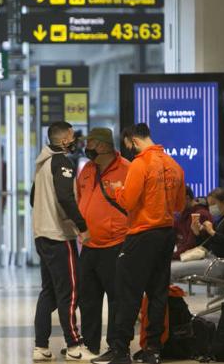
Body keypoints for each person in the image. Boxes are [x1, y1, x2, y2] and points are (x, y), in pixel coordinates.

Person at [95, 123, 185, 364]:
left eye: (128, 147)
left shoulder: (140, 164)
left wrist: (117, 190)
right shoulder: (174, 165)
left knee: (127, 293)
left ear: (133, 141)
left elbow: (128, 201)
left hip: (141, 235)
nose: (129, 152)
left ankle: (121, 350)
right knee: (157, 294)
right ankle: (153, 349)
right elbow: (179, 206)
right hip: (166, 235)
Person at [30, 121, 95, 362]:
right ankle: (74, 346)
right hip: (59, 237)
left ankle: (41, 346)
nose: (74, 139)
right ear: (62, 139)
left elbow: (32, 198)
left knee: (49, 293)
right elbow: (66, 198)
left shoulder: (42, 162)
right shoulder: (62, 163)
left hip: (41, 235)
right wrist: (82, 226)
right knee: (69, 291)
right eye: (71, 136)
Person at [76, 128, 130, 357]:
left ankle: (117, 347)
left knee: (118, 299)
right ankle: (90, 344)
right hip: (88, 246)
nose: (87, 147)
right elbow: (80, 198)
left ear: (105, 146)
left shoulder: (127, 169)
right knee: (87, 299)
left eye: (91, 143)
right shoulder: (87, 169)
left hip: (116, 244)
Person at [170, 188, 224, 281]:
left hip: (219, 263)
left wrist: (212, 232)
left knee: (171, 270)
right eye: (210, 205)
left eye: (214, 204)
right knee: (170, 266)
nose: (211, 208)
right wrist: (197, 233)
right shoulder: (220, 220)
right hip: (210, 259)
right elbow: (207, 245)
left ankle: (171, 295)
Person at [172, 185, 213, 258]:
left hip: (198, 256)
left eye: (177, 200)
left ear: (187, 198)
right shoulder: (182, 215)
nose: (174, 205)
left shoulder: (199, 215)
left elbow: (191, 245)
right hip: (186, 254)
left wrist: (171, 256)